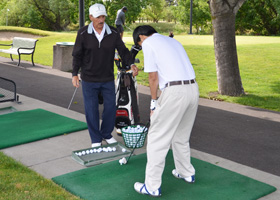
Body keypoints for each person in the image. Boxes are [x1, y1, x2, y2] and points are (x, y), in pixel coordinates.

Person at [132, 25, 199, 197]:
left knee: (156, 138)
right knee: (181, 136)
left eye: (139, 44)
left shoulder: (148, 43)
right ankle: (187, 173)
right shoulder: (171, 41)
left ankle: (152, 186)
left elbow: (153, 77)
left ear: (141, 37)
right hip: (192, 89)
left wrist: (154, 102)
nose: (141, 47)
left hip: (175, 93)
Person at [71, 3, 138, 148]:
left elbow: (123, 51)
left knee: (110, 108)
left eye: (103, 17)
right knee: (91, 110)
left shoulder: (113, 33)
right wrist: (74, 74)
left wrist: (131, 64)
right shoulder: (83, 33)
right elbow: (77, 54)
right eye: (98, 17)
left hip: (107, 78)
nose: (101, 20)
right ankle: (96, 138)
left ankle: (106, 134)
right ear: (91, 17)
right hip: (88, 79)